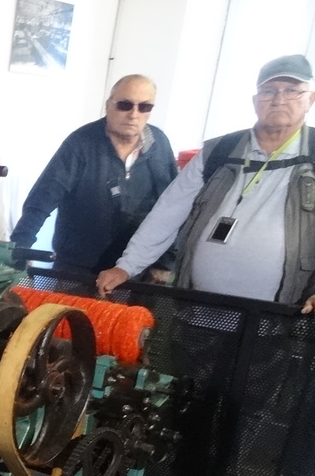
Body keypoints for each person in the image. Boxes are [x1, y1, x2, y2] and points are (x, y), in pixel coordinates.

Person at [97, 54, 315, 313]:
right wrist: (127, 266)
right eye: (269, 91)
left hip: (279, 319)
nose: (279, 99)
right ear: (255, 101)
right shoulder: (219, 151)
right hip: (199, 310)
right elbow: (167, 212)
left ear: (310, 99)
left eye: (292, 90)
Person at [10, 75, 178, 276]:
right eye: (125, 105)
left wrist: (165, 262)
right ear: (108, 106)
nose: (134, 114)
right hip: (78, 270)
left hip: (137, 271)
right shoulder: (80, 144)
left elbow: (173, 206)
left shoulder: (160, 145)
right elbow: (42, 200)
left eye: (144, 107)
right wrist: (18, 248)